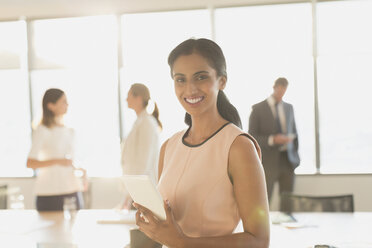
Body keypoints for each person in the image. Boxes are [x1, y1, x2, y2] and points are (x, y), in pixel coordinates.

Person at [132, 38, 270, 248]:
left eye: (201, 77)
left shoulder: (239, 147)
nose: (190, 88)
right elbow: (168, 231)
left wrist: (182, 242)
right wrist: (153, 227)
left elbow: (259, 241)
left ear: (221, 81)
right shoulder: (169, 147)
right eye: (181, 79)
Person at [27, 88, 85, 211]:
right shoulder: (42, 130)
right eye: (63, 101)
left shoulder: (69, 130)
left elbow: (68, 160)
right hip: (49, 193)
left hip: (72, 190)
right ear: (51, 105)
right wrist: (58, 161)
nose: (67, 105)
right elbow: (30, 163)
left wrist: (80, 170)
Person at [248, 77, 300, 210]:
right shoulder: (258, 109)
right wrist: (272, 140)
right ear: (274, 87)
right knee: (265, 201)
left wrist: (296, 158)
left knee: (287, 202)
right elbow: (251, 136)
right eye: (280, 89)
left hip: (287, 161)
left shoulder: (289, 108)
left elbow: (294, 133)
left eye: (284, 90)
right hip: (268, 162)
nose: (282, 93)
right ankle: (265, 230)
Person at [120, 83, 162, 209]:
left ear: (138, 98)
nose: (126, 99)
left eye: (129, 96)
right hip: (137, 189)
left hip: (143, 190)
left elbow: (144, 161)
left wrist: (129, 194)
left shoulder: (147, 123)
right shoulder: (140, 121)